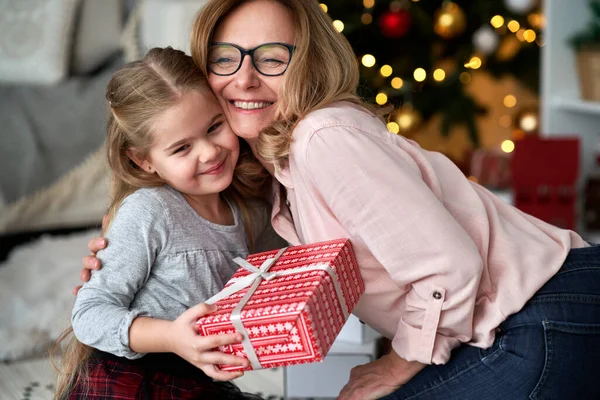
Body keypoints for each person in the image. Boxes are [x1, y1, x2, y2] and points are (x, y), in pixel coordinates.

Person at [81, 1, 600, 399]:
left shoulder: (323, 140)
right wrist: (126, 243)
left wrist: (395, 365)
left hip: (542, 314)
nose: (244, 77)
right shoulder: (274, 169)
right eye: (225, 58)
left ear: (306, 63)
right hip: (537, 312)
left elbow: (451, 268)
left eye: (271, 58)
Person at [56, 47, 279, 400]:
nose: (208, 152)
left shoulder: (249, 208)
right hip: (134, 381)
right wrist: (173, 336)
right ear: (144, 161)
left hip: (195, 380)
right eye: (181, 148)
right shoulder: (149, 210)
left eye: (214, 127)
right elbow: (89, 315)